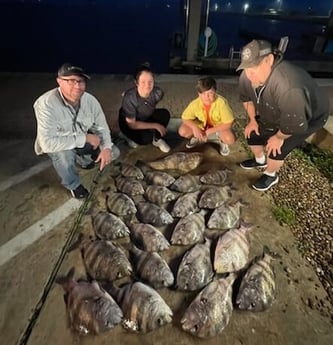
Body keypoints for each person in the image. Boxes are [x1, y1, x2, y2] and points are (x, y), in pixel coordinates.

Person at [237, 39, 329, 191]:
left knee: (275, 149)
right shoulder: (247, 77)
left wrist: (279, 137)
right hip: (277, 110)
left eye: (253, 68)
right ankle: (260, 161)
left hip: (308, 116)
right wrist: (253, 120)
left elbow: (294, 122)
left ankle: (271, 174)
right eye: (246, 69)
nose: (249, 75)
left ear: (269, 60)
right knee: (252, 134)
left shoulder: (288, 85)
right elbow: (246, 99)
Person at [33, 62, 120, 199]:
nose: (78, 86)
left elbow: (102, 127)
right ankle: (73, 184)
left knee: (113, 152)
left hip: (80, 138)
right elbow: (47, 143)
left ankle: (83, 159)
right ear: (59, 81)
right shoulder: (45, 105)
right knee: (64, 155)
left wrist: (106, 148)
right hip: (59, 144)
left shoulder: (90, 101)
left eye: (81, 81)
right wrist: (85, 138)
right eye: (71, 81)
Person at [118, 63, 171, 153]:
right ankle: (126, 136)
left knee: (164, 114)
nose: (147, 85)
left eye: (150, 81)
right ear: (136, 83)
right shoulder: (130, 98)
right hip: (129, 123)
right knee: (145, 139)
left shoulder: (158, 93)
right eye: (143, 82)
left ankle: (157, 140)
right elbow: (132, 124)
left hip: (144, 117)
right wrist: (156, 125)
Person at [178, 76, 236, 156]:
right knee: (183, 131)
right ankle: (196, 137)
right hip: (202, 126)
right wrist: (195, 128)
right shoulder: (195, 103)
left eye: (210, 93)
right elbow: (185, 117)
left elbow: (229, 123)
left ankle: (222, 141)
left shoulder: (222, 103)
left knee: (230, 139)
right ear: (199, 94)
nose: (207, 97)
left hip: (217, 126)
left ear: (216, 92)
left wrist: (209, 132)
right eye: (203, 94)